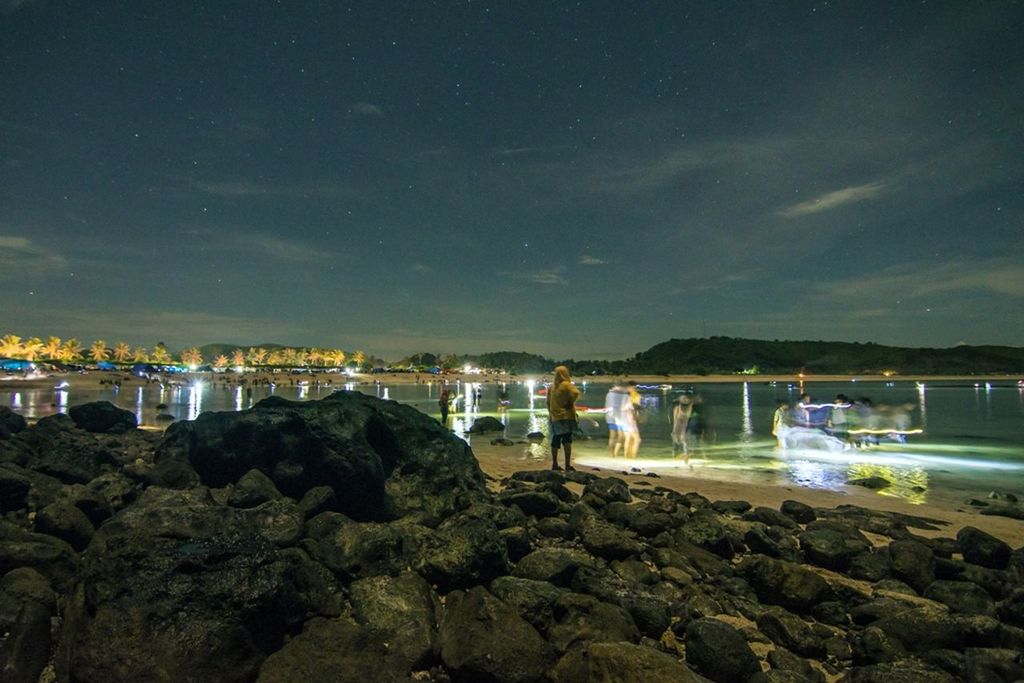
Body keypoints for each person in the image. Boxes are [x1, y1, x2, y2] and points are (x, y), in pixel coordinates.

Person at [546, 365, 580, 471]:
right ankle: (567, 465)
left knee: (555, 440)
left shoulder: (552, 387)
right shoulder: (566, 385)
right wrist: (570, 403)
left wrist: (551, 414)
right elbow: (576, 393)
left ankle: (555, 464)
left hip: (555, 417)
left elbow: (547, 402)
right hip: (566, 416)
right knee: (567, 440)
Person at [604, 382, 629, 457]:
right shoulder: (624, 395)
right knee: (620, 436)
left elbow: (607, 405)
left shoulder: (609, 394)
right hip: (620, 418)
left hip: (610, 417)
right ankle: (614, 453)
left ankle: (611, 454)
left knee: (612, 436)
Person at [671, 394, 693, 461]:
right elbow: (675, 419)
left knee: (682, 440)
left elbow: (677, 420)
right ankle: (681, 455)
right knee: (679, 440)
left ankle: (684, 455)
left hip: (682, 425)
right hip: (680, 425)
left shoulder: (686, 409)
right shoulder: (678, 409)